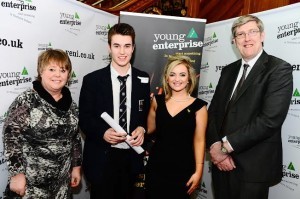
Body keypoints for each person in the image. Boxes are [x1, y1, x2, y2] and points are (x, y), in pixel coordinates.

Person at [207, 14, 293, 199]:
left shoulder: (278, 69)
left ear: (262, 35)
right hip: (221, 166)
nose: (247, 38)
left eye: (252, 32)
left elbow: (270, 120)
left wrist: (223, 148)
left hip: (253, 169)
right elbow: (213, 112)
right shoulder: (228, 70)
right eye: (240, 34)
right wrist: (214, 146)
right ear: (234, 41)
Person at [79, 23, 150, 199]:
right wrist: (103, 132)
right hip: (102, 158)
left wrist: (142, 128)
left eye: (127, 46)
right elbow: (84, 118)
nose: (122, 52)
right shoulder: (92, 80)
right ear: (109, 47)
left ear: (133, 48)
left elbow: (146, 114)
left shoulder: (143, 78)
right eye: (117, 46)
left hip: (131, 158)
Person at [3, 49, 82, 198]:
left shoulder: (72, 105)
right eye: (51, 69)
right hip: (31, 187)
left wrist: (76, 167)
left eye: (63, 70)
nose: (57, 75)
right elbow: (10, 136)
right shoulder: (27, 100)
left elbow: (75, 138)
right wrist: (17, 173)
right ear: (41, 71)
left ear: (68, 74)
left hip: (61, 187)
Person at [145, 55, 208, 199]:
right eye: (172, 74)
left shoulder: (199, 107)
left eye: (182, 74)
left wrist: (199, 171)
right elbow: (147, 129)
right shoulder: (157, 101)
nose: (177, 79)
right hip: (156, 168)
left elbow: (199, 141)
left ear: (189, 79)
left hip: (183, 170)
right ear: (167, 78)